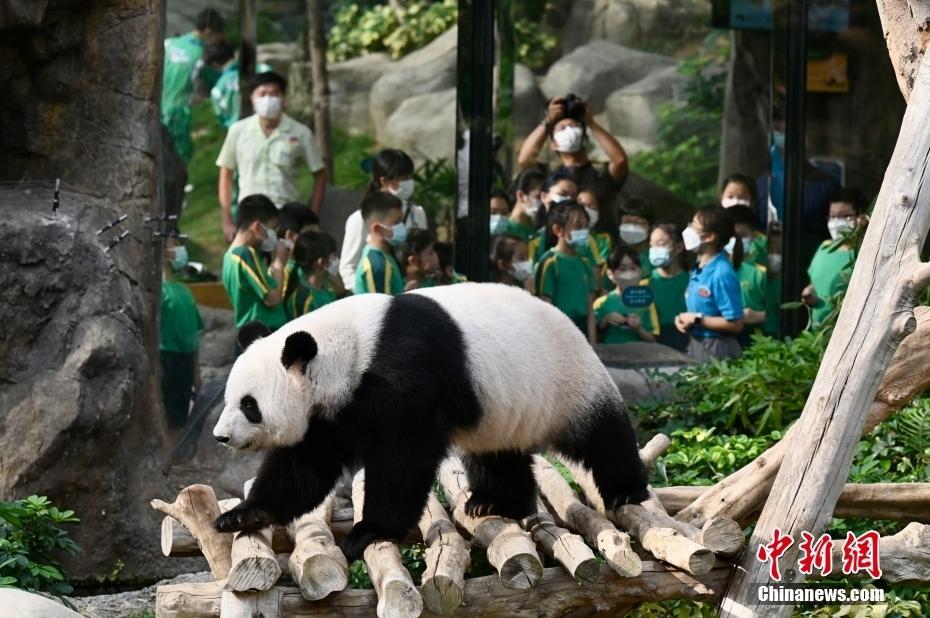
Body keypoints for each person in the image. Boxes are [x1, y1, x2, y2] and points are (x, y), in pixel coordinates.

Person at [217, 71, 328, 242]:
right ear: (252, 99)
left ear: (283, 98)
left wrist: (310, 217)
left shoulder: (300, 133)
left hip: (286, 216)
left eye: (274, 94)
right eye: (262, 94)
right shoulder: (238, 131)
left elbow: (320, 175)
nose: (268, 99)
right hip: (249, 215)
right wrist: (227, 221)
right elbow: (226, 173)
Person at [517, 94, 629, 207]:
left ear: (585, 138)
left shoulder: (601, 174)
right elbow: (524, 159)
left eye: (575, 125)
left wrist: (591, 123)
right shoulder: (549, 174)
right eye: (562, 128)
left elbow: (619, 160)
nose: (570, 130)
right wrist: (547, 121)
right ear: (553, 144)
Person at [339, 149, 428, 289]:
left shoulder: (416, 213)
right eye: (403, 178)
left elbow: (425, 254)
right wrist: (366, 292)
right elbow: (348, 268)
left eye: (410, 177)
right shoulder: (360, 218)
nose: (409, 183)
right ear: (384, 181)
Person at [675, 206, 745, 362]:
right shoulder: (699, 266)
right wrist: (684, 320)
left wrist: (696, 319)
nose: (688, 230)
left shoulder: (721, 272)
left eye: (694, 226)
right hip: (696, 343)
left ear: (709, 237)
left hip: (717, 348)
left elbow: (736, 323)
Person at [162, 8, 226, 164]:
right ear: (209, 32)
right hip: (178, 114)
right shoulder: (202, 55)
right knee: (179, 156)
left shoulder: (168, 44)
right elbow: (219, 80)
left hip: (155, 109)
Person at [222, 194, 289, 331]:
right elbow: (273, 299)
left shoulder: (229, 256)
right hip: (264, 332)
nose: (273, 234)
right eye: (272, 228)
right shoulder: (245, 254)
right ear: (257, 226)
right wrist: (279, 262)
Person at [801, 188, 867, 329]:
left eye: (844, 216)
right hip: (817, 333)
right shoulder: (824, 248)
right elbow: (815, 283)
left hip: (847, 332)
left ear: (861, 217)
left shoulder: (865, 253)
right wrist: (810, 293)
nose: (837, 222)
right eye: (833, 216)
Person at [535, 200, 598, 343]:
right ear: (558, 230)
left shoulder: (586, 263)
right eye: (577, 226)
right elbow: (546, 307)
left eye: (586, 226)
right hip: (559, 331)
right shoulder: (549, 262)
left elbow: (590, 309)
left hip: (582, 330)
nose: (583, 231)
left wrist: (593, 344)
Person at [160, 236, 203, 441]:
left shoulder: (184, 290)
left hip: (185, 363)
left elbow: (194, 335)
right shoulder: (157, 292)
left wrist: (196, 372)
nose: (179, 249)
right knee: (168, 419)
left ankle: (175, 457)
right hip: (167, 360)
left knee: (179, 419)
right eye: (174, 244)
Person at [594, 247, 659, 344]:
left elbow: (654, 341)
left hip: (640, 356)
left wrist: (639, 329)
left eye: (633, 268)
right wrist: (606, 320)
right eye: (622, 269)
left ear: (640, 271)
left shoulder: (647, 302)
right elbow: (593, 337)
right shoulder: (601, 303)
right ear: (610, 273)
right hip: (610, 356)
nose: (629, 273)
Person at [725, 206, 768, 345]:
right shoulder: (714, 270)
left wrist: (758, 316)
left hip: (753, 341)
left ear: (754, 236)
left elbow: (780, 312)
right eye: (731, 236)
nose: (735, 241)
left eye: (741, 236)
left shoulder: (761, 273)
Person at [647, 223, 690, 352]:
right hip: (653, 344)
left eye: (660, 244)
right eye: (651, 245)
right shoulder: (645, 283)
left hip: (685, 342)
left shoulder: (691, 281)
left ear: (678, 247)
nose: (655, 249)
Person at [354, 192, 406, 295]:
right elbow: (381, 308)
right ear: (377, 229)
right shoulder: (378, 263)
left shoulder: (384, 256)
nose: (401, 227)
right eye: (396, 222)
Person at [286, 231, 340, 319]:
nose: (336, 260)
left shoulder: (326, 286)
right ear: (321, 262)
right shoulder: (305, 299)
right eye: (333, 257)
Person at [616, 197, 654, 276]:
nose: (632, 228)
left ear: (650, 227)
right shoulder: (614, 257)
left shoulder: (655, 258)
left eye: (638, 223)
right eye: (627, 222)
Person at [506, 168, 546, 242]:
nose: (543, 202)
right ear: (521, 196)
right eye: (538, 197)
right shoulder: (505, 228)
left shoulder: (540, 230)